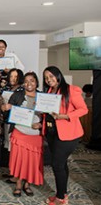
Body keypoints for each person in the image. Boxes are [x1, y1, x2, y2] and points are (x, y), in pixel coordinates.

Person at [42, 66, 88, 205]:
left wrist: (65, 116)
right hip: (52, 133)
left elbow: (83, 109)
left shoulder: (71, 90)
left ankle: (60, 198)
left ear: (58, 75)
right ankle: (63, 193)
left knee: (57, 164)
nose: (49, 80)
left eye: (51, 76)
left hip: (68, 135)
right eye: (46, 78)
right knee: (62, 164)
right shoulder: (49, 91)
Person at [4, 72, 44, 197]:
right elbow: (7, 116)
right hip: (19, 133)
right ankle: (18, 184)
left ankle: (28, 185)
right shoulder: (17, 95)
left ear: (36, 82)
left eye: (32, 80)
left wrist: (42, 124)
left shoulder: (43, 97)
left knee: (32, 162)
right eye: (26, 81)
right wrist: (6, 108)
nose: (29, 83)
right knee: (20, 161)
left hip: (35, 135)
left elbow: (49, 116)